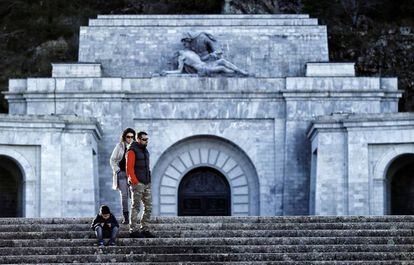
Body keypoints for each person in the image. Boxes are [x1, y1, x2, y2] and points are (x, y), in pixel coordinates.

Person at [162, 39, 248, 77]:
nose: (187, 45)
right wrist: (167, 72)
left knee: (222, 61)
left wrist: (211, 55)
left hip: (206, 65)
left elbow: (202, 59)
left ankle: (240, 71)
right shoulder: (181, 57)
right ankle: (236, 73)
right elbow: (179, 71)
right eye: (185, 43)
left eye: (187, 42)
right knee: (221, 68)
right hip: (203, 69)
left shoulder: (191, 52)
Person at [126, 131, 154, 238]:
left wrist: (148, 180)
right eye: (144, 139)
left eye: (147, 139)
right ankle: (133, 230)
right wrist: (135, 181)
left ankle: (145, 229)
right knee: (136, 206)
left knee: (149, 207)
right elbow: (129, 168)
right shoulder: (132, 151)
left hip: (146, 183)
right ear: (138, 139)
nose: (146, 141)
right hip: (137, 183)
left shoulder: (145, 151)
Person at [109, 128, 136, 224]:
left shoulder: (136, 147)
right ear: (124, 137)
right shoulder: (120, 146)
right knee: (124, 195)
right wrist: (118, 170)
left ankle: (134, 217)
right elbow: (112, 160)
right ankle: (126, 217)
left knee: (134, 196)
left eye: (132, 137)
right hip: (122, 174)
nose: (130, 139)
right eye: (128, 137)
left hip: (132, 175)